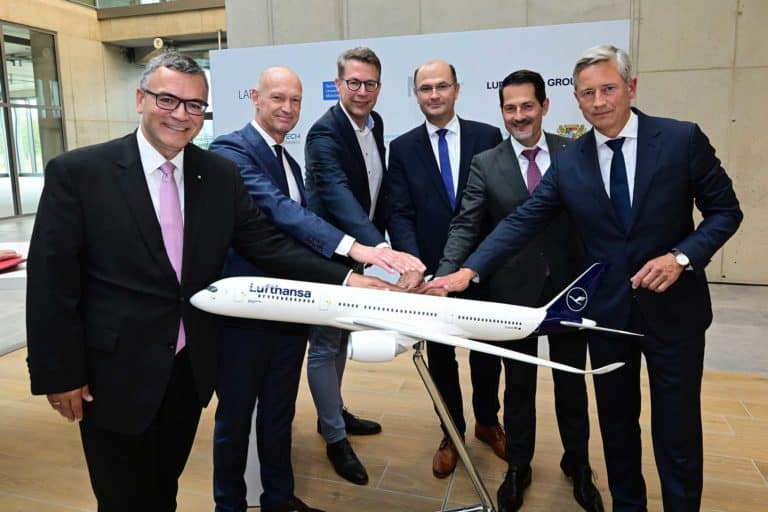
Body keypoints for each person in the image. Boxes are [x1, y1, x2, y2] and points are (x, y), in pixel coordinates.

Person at [25, 52, 395, 511]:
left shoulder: (216, 174)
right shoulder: (79, 173)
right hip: (113, 373)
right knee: (123, 497)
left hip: (187, 369)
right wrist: (59, 372)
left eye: (195, 105)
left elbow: (264, 242)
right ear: (140, 99)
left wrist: (347, 279)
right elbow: (51, 283)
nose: (181, 115)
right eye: (167, 100)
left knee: (166, 487)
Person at [423, 45, 743, 512]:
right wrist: (468, 271)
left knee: (676, 430)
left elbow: (725, 212)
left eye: (608, 89)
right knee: (616, 427)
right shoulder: (571, 162)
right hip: (608, 316)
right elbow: (522, 221)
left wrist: (681, 257)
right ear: (575, 99)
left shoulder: (680, 140)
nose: (598, 102)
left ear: (630, 88)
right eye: (587, 93)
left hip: (675, 313)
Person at [208, 66, 422, 512]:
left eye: (295, 100)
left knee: (279, 411)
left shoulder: (288, 158)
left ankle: (279, 498)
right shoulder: (231, 149)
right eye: (278, 98)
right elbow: (279, 213)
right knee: (235, 419)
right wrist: (357, 253)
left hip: (291, 309)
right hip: (246, 314)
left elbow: (300, 230)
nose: (287, 108)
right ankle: (229, 506)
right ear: (255, 97)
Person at [431, 69, 601, 511]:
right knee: (518, 389)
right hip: (512, 294)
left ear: (545, 106)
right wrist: (448, 276)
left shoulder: (576, 152)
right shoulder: (486, 164)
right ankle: (518, 467)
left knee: (571, 385)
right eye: (510, 108)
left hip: (568, 291)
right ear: (501, 111)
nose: (519, 115)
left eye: (528, 106)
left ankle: (578, 465)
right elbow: (466, 224)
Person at [382, 60, 505, 479]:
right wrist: (415, 265)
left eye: (441, 86)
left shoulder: (487, 137)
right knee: (440, 357)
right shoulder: (401, 148)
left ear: (457, 89)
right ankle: (450, 431)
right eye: (425, 88)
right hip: (430, 273)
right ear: (416, 95)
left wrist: (477, 264)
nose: (433, 95)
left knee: (486, 352)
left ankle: (488, 421)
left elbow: (498, 205)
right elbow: (398, 212)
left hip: (480, 266)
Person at [304, 46, 407, 486]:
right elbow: (338, 197)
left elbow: (372, 188)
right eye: (353, 83)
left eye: (370, 84)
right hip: (327, 250)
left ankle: (334, 411)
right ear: (338, 84)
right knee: (325, 344)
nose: (362, 92)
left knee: (341, 335)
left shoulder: (374, 123)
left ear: (379, 87)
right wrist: (379, 248)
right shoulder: (324, 133)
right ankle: (334, 436)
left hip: (357, 247)